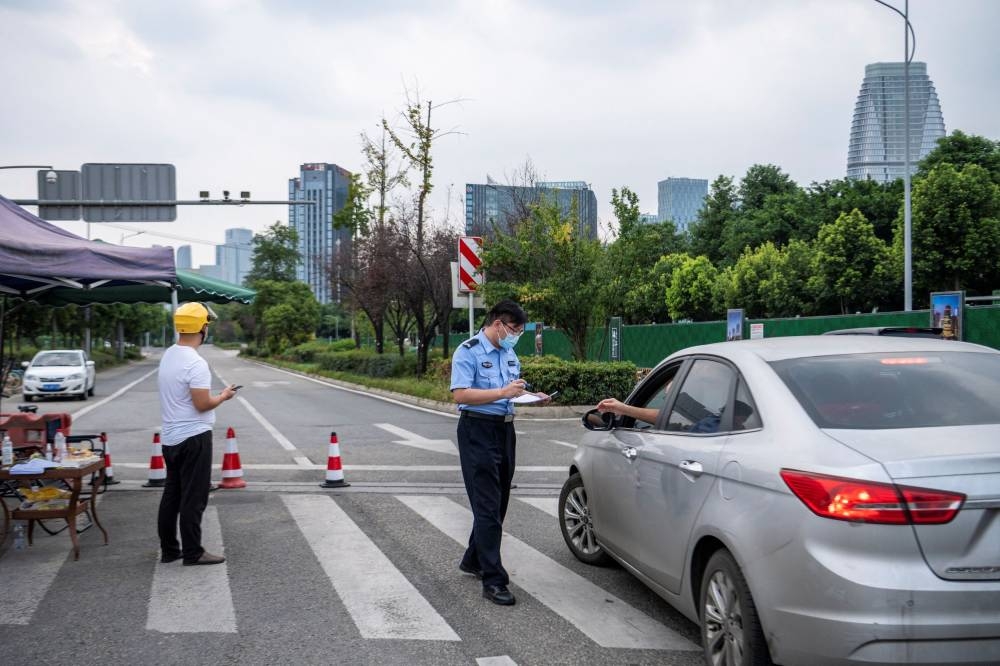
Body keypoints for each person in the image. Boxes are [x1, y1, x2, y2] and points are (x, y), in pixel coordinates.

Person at [450, 299, 550, 606]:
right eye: (515, 329)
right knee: (487, 506)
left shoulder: (509, 352)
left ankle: (473, 558)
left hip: (505, 430)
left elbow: (512, 391)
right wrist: (502, 393)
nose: (517, 335)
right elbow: (461, 394)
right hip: (477, 430)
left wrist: (532, 396)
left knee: (500, 501)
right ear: (498, 324)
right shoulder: (468, 351)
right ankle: (493, 580)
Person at [157, 302, 238, 566]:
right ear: (202, 328)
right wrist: (224, 396)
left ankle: (170, 550)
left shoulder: (169, 354)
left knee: (172, 494)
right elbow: (202, 404)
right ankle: (193, 552)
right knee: (194, 496)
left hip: (170, 438)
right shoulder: (196, 363)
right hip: (194, 437)